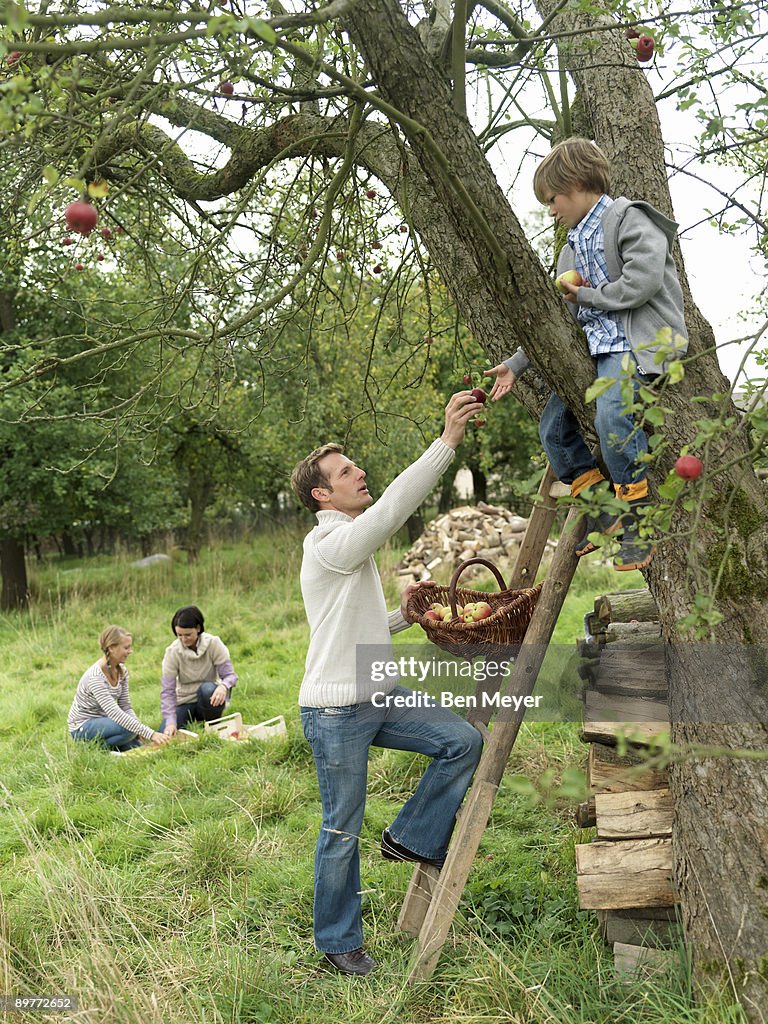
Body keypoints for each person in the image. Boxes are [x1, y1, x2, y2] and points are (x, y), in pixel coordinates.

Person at [290, 392, 485, 977]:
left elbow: (350, 625)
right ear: (323, 495)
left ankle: (411, 836)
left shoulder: (346, 551)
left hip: (381, 694)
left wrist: (402, 616)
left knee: (462, 742)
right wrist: (446, 443)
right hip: (336, 712)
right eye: (346, 472)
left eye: (355, 466)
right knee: (341, 826)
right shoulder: (329, 543)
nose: (360, 473)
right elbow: (391, 511)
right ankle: (338, 943)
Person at [486, 137, 688, 571]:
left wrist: (589, 296)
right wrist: (516, 364)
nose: (551, 210)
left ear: (576, 183)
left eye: (553, 199)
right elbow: (561, 317)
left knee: (612, 421)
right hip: (596, 352)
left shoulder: (629, 219)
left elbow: (643, 282)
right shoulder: (570, 249)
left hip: (636, 344)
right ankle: (603, 509)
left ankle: (637, 518)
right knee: (553, 430)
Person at [69, 625, 168, 752]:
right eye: (126, 647)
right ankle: (92, 749)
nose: (130, 651)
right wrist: (151, 733)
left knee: (136, 747)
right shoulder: (95, 678)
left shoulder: (122, 672)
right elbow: (114, 713)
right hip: (83, 727)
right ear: (111, 648)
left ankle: (111, 747)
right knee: (128, 729)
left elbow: (125, 706)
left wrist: (139, 730)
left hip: (105, 722)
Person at [160, 605, 238, 736]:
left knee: (208, 689)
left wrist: (223, 686)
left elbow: (230, 675)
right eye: (179, 635)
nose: (184, 639)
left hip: (208, 697)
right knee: (165, 734)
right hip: (184, 701)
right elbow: (168, 691)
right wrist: (171, 722)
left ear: (198, 628)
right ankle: (187, 723)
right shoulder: (172, 652)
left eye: (188, 635)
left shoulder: (214, 643)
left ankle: (211, 725)